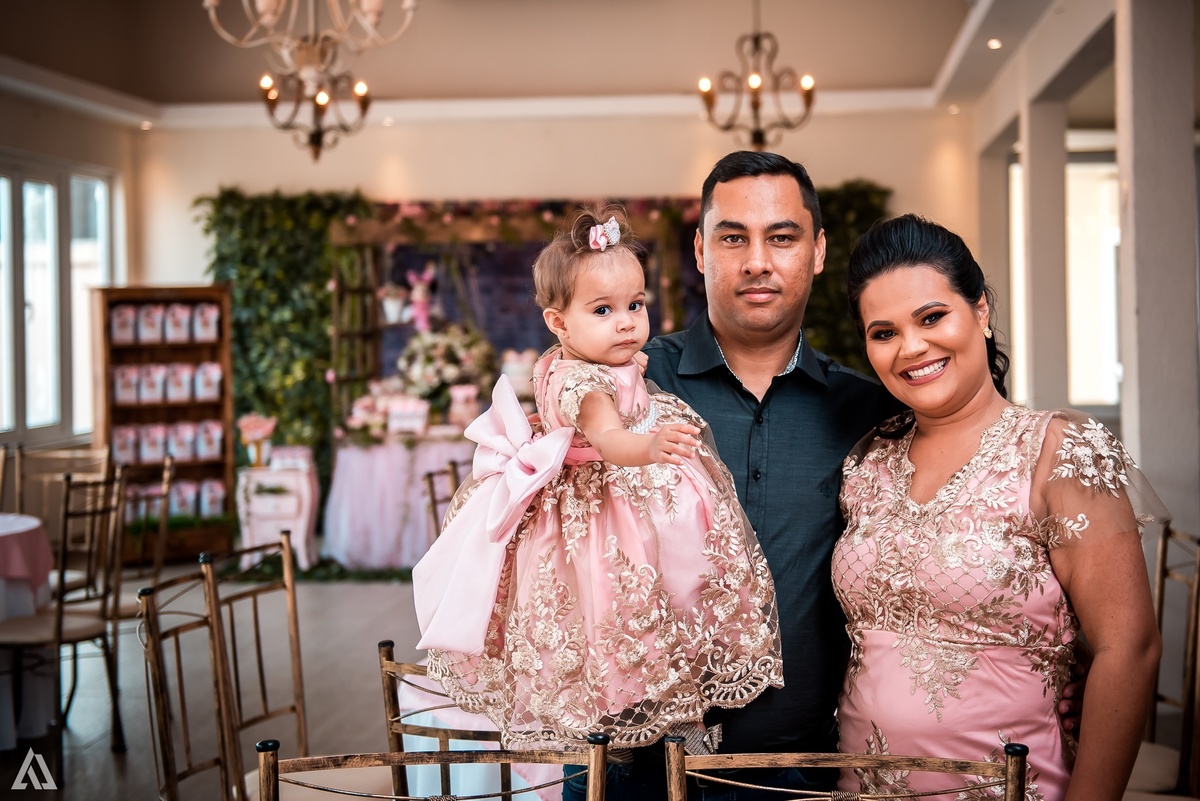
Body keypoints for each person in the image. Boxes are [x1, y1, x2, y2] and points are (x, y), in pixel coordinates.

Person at [565, 152, 1087, 801]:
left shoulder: (874, 412)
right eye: (733, 237)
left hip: (803, 773)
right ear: (700, 249)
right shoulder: (622, 390)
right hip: (626, 765)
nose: (758, 260)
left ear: (816, 251)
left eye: (781, 237)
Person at [412, 206, 783, 752]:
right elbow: (608, 437)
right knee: (614, 609)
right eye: (603, 309)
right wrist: (650, 446)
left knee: (672, 592)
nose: (628, 322)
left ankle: (670, 718)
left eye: (635, 305)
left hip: (633, 499)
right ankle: (634, 726)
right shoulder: (580, 380)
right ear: (558, 323)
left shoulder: (605, 359)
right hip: (602, 512)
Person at [834, 213, 1163, 800]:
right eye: (883, 333)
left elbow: (1128, 648)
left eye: (932, 317)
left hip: (1010, 788)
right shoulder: (868, 461)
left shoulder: (1058, 453)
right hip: (860, 787)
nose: (911, 347)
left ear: (981, 311)